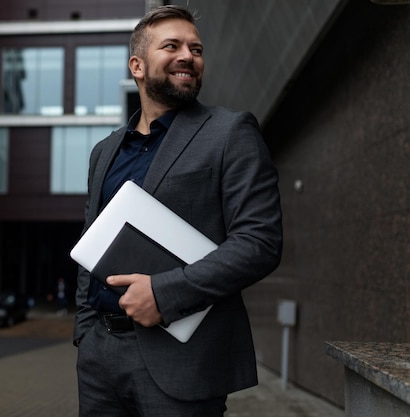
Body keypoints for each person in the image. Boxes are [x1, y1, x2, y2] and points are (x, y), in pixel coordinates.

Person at [73, 5, 283, 417]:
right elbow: (90, 245)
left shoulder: (231, 132)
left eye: (196, 48)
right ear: (137, 65)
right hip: (98, 356)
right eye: (172, 45)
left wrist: (164, 293)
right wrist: (85, 331)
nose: (188, 55)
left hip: (182, 362)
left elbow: (259, 242)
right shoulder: (104, 152)